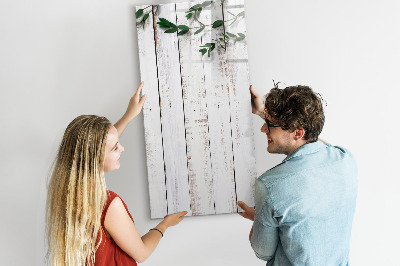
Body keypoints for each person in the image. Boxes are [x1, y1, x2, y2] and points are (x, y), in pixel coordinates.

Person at [46, 82, 187, 266]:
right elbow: (142, 253)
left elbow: (97, 147)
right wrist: (164, 225)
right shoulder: (109, 205)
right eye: (115, 148)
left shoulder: (66, 192)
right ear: (94, 158)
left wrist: (129, 115)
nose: (122, 148)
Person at [238, 84, 358, 265]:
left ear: (298, 132)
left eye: (270, 124)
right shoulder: (345, 159)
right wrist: (263, 112)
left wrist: (261, 219)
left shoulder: (269, 185)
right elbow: (313, 140)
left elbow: (263, 252)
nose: (263, 129)